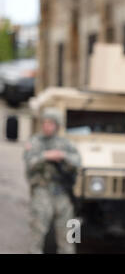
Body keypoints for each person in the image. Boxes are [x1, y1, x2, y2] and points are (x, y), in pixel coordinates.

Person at [23, 108, 81, 254]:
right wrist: (46, 156)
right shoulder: (35, 142)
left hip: (63, 194)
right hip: (42, 192)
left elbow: (77, 162)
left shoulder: (65, 144)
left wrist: (63, 156)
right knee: (37, 234)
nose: (47, 126)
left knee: (69, 235)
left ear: (57, 125)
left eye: (51, 123)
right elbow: (29, 162)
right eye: (45, 122)